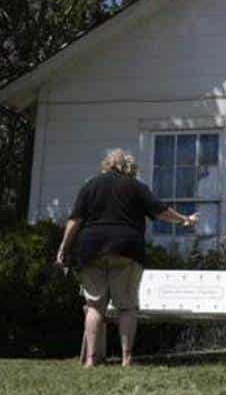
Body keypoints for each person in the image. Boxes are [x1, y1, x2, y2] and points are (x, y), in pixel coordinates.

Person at [56, 149, 198, 366]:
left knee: (94, 306)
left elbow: (75, 220)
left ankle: (91, 360)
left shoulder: (90, 185)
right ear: (129, 167)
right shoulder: (136, 187)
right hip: (126, 248)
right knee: (127, 306)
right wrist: (184, 220)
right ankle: (126, 359)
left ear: (106, 165)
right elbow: (161, 211)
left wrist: (63, 248)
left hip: (90, 249)